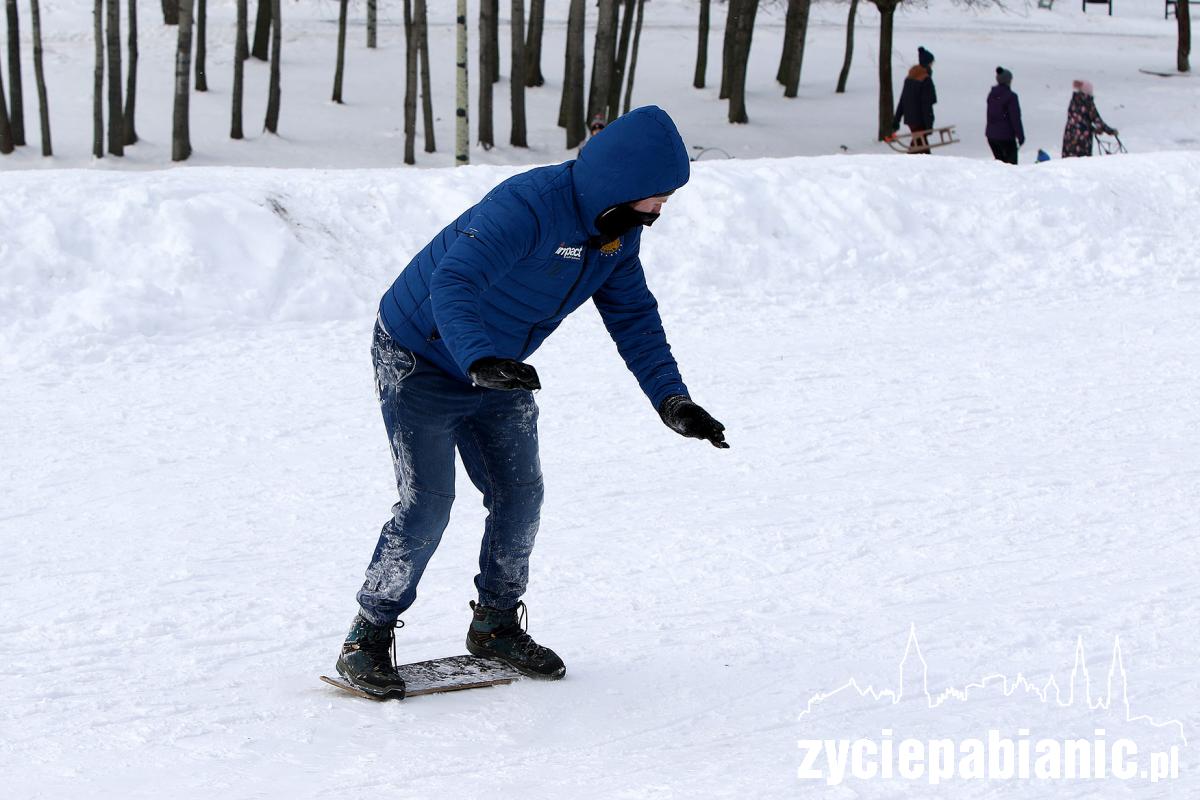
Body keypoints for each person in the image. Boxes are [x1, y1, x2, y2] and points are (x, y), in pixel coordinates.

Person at [335, 106, 729, 698]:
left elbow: (635, 319)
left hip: (497, 367)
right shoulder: (525, 206)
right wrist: (477, 361)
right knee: (427, 503)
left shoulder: (614, 236)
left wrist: (673, 400)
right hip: (421, 356)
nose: (662, 207)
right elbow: (453, 282)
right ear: (621, 184)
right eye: (658, 195)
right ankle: (366, 636)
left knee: (521, 494)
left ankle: (494, 624)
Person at [893, 47, 938, 154]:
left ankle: (916, 164)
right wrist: (929, 123)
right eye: (932, 63)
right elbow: (926, 104)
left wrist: (896, 119)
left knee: (920, 145)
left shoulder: (909, 78)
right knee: (920, 147)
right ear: (928, 64)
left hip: (910, 118)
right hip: (920, 119)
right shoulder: (925, 80)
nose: (932, 65)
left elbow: (902, 100)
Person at [1062, 80, 1117, 158]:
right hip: (1082, 139)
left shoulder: (1074, 101)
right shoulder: (1088, 102)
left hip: (1070, 135)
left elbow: (1078, 120)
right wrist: (1110, 131)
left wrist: (1092, 129)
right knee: (1082, 161)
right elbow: (1096, 119)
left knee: (1069, 161)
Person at [986, 67, 1025, 165]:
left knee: (1000, 165)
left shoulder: (992, 95)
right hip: (1006, 137)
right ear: (1008, 81)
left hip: (991, 136)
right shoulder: (1011, 97)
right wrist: (1020, 136)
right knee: (1011, 167)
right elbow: (1015, 118)